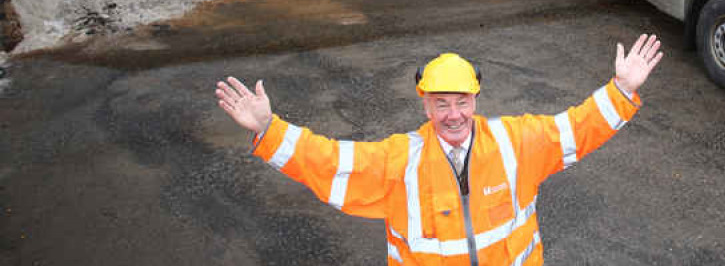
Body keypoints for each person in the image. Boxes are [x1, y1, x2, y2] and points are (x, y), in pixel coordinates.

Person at [215, 34, 663, 266]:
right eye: (441, 103)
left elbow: (576, 129)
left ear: (476, 99)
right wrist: (268, 129)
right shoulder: (398, 161)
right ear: (424, 102)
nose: (453, 115)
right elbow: (330, 162)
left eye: (461, 102)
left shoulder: (516, 143)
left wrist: (621, 89)